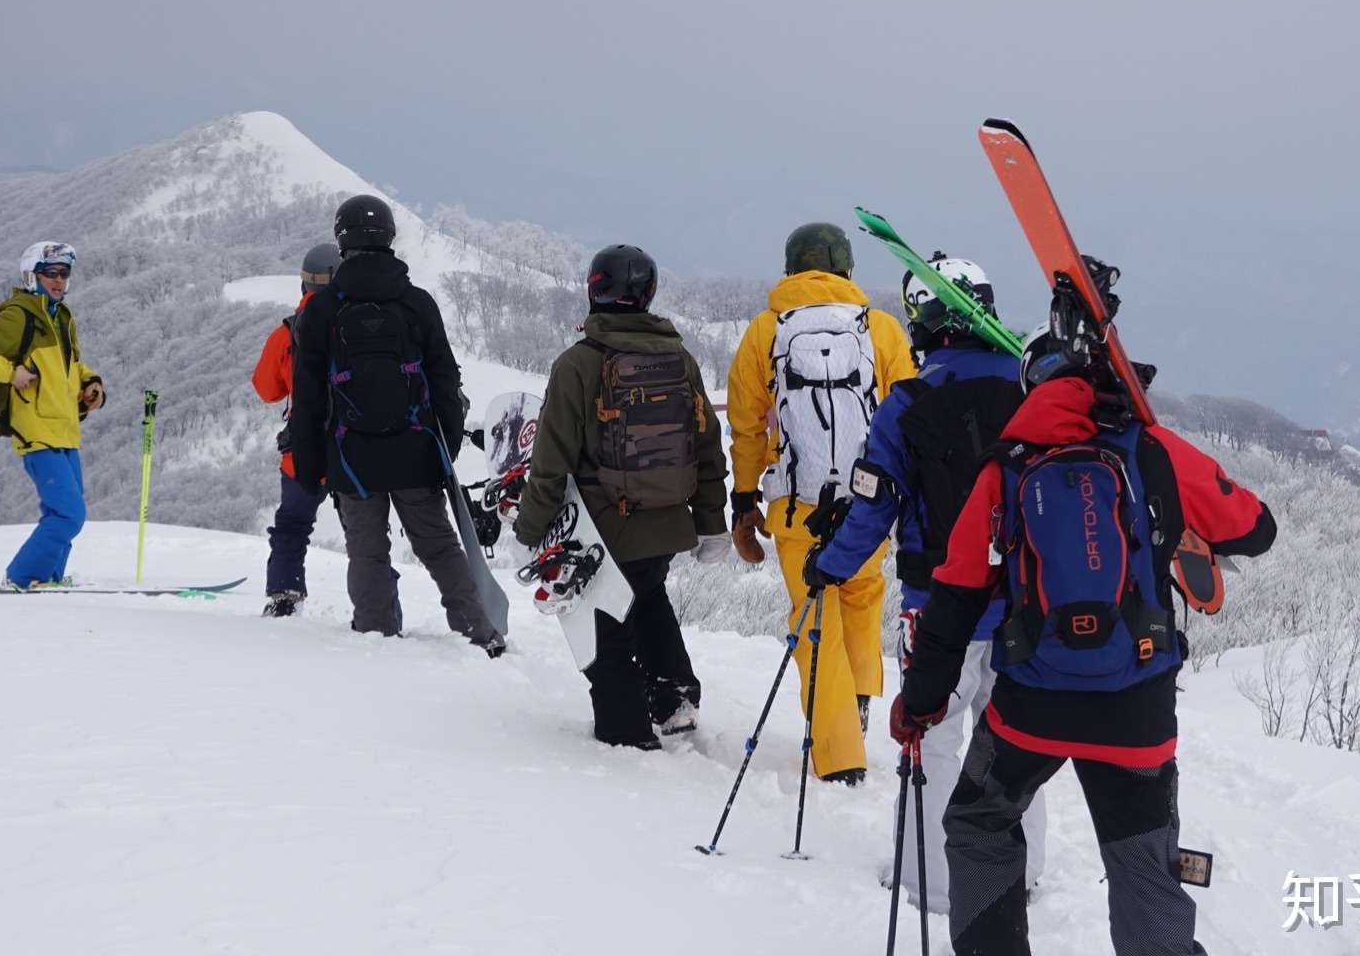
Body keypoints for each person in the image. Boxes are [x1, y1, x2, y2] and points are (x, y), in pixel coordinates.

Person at [891, 277, 1278, 956]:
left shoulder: (1007, 466)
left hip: (1031, 706)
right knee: (1145, 864)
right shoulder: (1152, 449)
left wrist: (921, 703)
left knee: (979, 822)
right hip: (1136, 714)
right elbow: (1257, 529)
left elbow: (953, 597)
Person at [801, 255, 1047, 906]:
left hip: (937, 607)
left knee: (935, 741)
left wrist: (829, 565)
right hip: (1028, 607)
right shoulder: (1037, 395)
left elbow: (874, 507)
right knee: (1017, 743)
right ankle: (1026, 872)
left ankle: (933, 883)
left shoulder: (907, 405)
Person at [511, 245, 732, 749]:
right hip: (669, 520)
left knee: (604, 626)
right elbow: (706, 446)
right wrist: (710, 522)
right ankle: (675, 697)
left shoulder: (578, 364)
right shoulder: (680, 358)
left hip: (604, 528)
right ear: (649, 294)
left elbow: (550, 461)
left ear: (595, 289)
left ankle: (627, 733)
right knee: (649, 596)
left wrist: (530, 530)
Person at [725, 221, 916, 783]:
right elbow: (905, 417)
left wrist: (742, 499)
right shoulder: (879, 329)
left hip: (796, 506)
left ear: (791, 269)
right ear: (847, 269)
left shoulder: (765, 331)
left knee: (814, 618)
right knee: (860, 598)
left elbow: (745, 427)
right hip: (868, 507)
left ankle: (837, 752)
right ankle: (857, 699)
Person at [288, 194, 504, 656]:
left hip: (352, 457)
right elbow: (445, 380)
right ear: (388, 236)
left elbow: (307, 397)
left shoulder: (322, 310)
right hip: (416, 452)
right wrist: (443, 446)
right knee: (440, 547)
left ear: (341, 238)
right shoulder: (416, 303)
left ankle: (375, 635)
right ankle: (479, 633)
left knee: (367, 553)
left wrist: (310, 465)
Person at [0, 241, 106, 589]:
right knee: (70, 514)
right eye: (50, 273)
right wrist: (11, 373)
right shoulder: (19, 315)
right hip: (36, 431)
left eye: (64, 273)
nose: (58, 280)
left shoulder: (61, 317)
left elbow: (68, 367)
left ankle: (48, 578)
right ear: (32, 275)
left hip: (65, 429)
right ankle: (22, 578)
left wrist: (91, 384)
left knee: (62, 514)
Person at [253, 242, 341, 618]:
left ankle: (285, 594)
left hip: (302, 451)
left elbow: (267, 390)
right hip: (353, 451)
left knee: (292, 523)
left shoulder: (287, 334)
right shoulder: (359, 326)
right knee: (368, 536)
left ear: (304, 285)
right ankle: (379, 609)